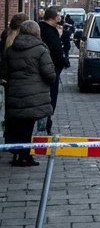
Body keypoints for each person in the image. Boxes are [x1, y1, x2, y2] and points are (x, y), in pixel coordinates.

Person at [3, 20, 57, 167]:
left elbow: (4, 72)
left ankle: (17, 153)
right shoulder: (40, 49)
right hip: (34, 94)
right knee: (28, 126)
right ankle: (25, 156)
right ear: (36, 31)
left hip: (15, 93)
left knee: (18, 125)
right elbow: (49, 74)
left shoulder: (11, 49)